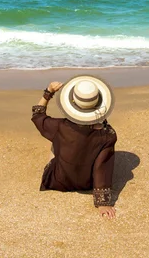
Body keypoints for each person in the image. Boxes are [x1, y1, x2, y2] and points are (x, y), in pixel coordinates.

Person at [31, 75, 117, 219]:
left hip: (58, 180)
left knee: (55, 141)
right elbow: (101, 167)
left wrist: (48, 92)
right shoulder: (108, 134)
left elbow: (37, 115)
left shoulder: (59, 127)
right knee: (98, 152)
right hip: (86, 183)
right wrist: (102, 202)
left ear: (72, 102)